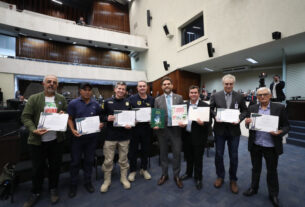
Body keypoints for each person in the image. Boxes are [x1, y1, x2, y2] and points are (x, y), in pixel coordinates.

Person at [21, 75, 67, 207]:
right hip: (37, 141)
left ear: (57, 85)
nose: (51, 84)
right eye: (49, 82)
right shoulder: (34, 98)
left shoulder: (61, 99)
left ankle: (53, 189)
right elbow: (25, 117)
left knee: (55, 167)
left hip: (56, 140)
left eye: (54, 82)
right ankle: (35, 192)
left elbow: (65, 112)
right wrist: (34, 129)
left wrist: (64, 114)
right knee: (37, 169)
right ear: (43, 84)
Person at [243, 87, 289, 207]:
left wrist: (280, 132)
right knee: (255, 169)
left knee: (272, 171)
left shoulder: (279, 108)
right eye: (259, 95)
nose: (262, 97)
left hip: (271, 146)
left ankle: (273, 194)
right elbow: (249, 126)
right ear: (257, 97)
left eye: (264, 94)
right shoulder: (252, 108)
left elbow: (286, 126)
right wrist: (247, 123)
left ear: (269, 96)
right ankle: (254, 188)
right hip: (256, 145)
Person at [210, 74, 248, 194]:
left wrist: (239, 118)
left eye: (231, 84)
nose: (228, 86)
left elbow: (245, 111)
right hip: (220, 130)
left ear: (233, 84)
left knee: (234, 156)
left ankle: (233, 180)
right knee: (219, 155)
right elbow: (210, 109)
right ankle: (220, 176)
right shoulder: (216, 95)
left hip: (234, 131)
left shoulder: (239, 96)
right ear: (223, 84)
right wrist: (215, 116)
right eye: (226, 84)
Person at [67, 82, 103, 198]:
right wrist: (72, 129)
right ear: (80, 91)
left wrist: (101, 124)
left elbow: (100, 118)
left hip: (91, 139)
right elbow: (70, 118)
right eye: (85, 90)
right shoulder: (73, 103)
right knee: (75, 162)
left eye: (89, 90)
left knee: (89, 161)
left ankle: (88, 182)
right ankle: (73, 184)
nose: (87, 92)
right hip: (77, 139)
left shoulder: (95, 104)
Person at [100, 82, 132, 192]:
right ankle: (107, 180)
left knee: (123, 160)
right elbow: (100, 116)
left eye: (123, 89)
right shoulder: (106, 102)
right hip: (110, 137)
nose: (121, 91)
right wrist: (106, 118)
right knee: (108, 160)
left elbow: (132, 118)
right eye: (119, 88)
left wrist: (130, 125)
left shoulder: (128, 102)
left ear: (125, 91)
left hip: (124, 136)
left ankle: (124, 178)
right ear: (115, 89)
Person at [154, 76, 184, 189]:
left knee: (177, 154)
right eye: (164, 84)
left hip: (176, 130)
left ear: (172, 85)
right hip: (162, 131)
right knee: (163, 154)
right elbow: (156, 115)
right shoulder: (157, 100)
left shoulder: (179, 98)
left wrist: (182, 121)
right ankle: (164, 174)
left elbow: (182, 113)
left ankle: (177, 176)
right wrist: (156, 124)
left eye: (168, 84)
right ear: (162, 87)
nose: (167, 86)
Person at [180, 85, 211, 190]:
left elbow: (209, 123)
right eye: (191, 93)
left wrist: (203, 123)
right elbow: (180, 118)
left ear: (199, 94)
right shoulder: (184, 105)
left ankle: (198, 178)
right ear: (189, 94)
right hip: (187, 136)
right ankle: (188, 173)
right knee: (188, 157)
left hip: (199, 137)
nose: (193, 94)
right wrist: (181, 123)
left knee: (198, 159)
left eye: (195, 93)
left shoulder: (205, 106)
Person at [128, 81, 154, 182]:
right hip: (134, 129)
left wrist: (154, 121)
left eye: (144, 86)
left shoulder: (152, 99)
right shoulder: (131, 99)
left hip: (147, 129)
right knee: (133, 151)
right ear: (137, 88)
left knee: (145, 150)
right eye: (140, 86)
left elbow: (155, 113)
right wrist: (131, 120)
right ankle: (133, 171)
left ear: (147, 87)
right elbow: (127, 113)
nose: (142, 88)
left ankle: (144, 169)